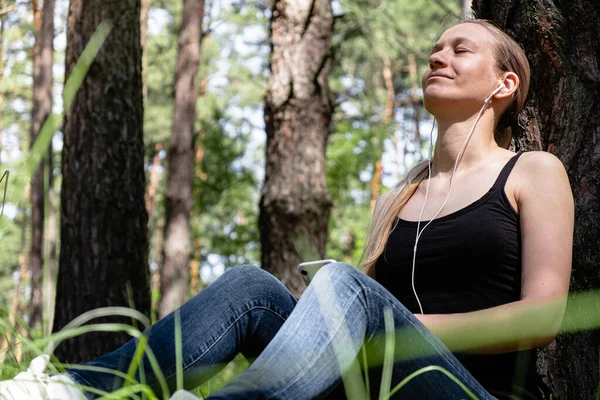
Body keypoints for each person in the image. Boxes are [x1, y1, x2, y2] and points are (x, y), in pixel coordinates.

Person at [0, 19, 573, 400]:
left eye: (459, 49)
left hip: (470, 391)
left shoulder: (532, 172)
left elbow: (543, 320)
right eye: (435, 49)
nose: (435, 56)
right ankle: (73, 390)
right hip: (375, 388)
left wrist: (406, 329)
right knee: (252, 287)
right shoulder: (399, 196)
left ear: (505, 83)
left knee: (347, 285)